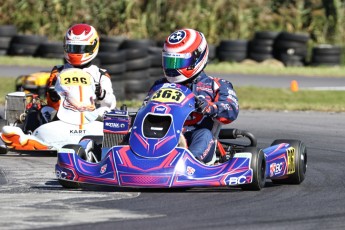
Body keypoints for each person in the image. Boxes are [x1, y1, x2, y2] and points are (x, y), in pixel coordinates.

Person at [144, 28, 239, 164]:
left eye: (178, 63)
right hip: (164, 134)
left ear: (197, 58)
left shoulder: (216, 85)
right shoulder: (160, 85)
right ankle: (125, 158)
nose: (172, 68)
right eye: (169, 62)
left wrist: (210, 108)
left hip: (196, 135)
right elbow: (146, 109)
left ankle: (189, 162)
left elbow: (231, 108)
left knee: (204, 134)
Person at [42, 23, 116, 122]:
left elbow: (110, 103)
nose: (76, 53)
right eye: (73, 48)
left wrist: (101, 93)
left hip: (91, 115)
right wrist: (53, 96)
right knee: (45, 110)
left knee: (106, 111)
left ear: (93, 46)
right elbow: (51, 103)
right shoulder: (58, 71)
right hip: (64, 115)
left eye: (81, 48)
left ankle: (108, 135)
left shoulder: (101, 74)